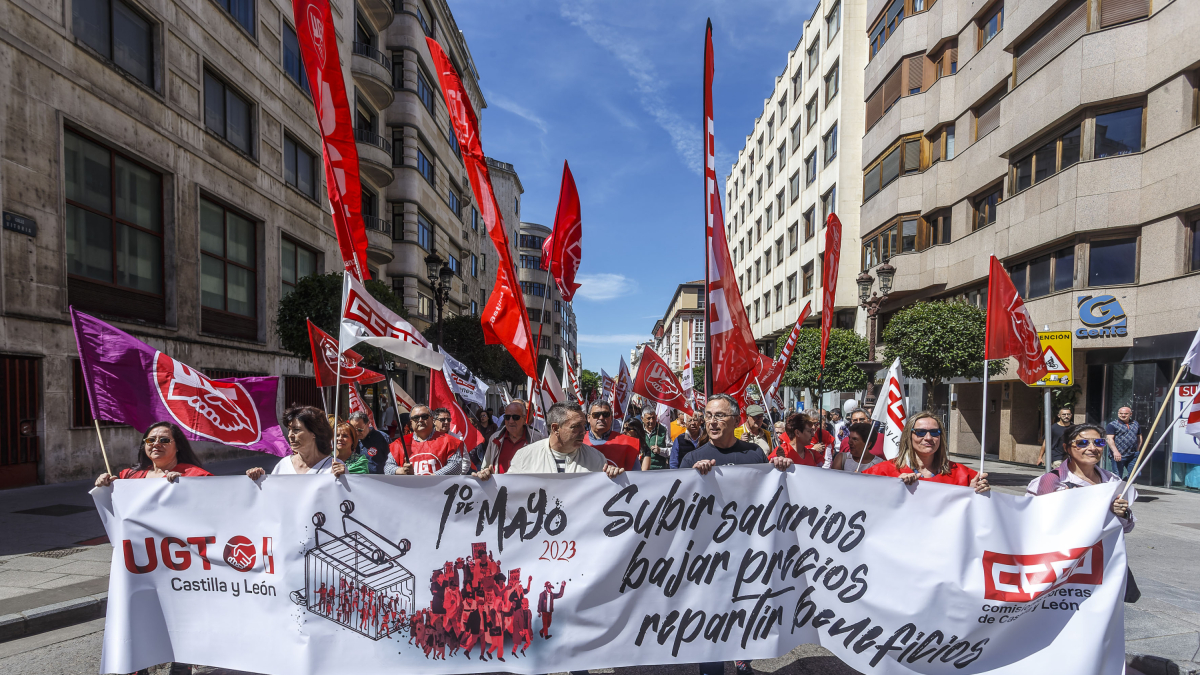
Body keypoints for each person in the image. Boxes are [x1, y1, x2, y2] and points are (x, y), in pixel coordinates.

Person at [685, 394, 792, 675]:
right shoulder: (691, 458)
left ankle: (743, 660)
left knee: (742, 611)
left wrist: (778, 469)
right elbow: (677, 507)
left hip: (744, 552)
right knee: (709, 616)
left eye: (719, 415)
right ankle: (711, 668)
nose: (711, 421)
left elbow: (766, 495)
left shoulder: (753, 454)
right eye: (707, 415)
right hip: (706, 556)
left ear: (736, 420)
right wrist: (694, 480)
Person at [1027, 424, 1135, 531]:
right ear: (1067, 448)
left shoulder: (1112, 481)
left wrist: (1122, 514)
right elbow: (1031, 522)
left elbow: (1126, 528)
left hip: (1102, 548)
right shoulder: (1051, 481)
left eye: (1098, 442)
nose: (1092, 448)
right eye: (1082, 443)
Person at [478, 402, 624, 478]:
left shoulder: (597, 459)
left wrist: (614, 479)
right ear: (555, 428)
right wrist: (488, 482)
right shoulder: (524, 457)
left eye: (583, 425)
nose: (583, 431)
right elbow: (509, 494)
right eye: (575, 426)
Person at [864, 411, 990, 492]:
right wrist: (892, 487)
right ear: (909, 436)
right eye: (921, 432)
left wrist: (975, 493)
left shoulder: (965, 476)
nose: (928, 438)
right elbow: (861, 498)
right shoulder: (881, 472)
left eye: (935, 432)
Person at [94, 422, 212, 486]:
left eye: (164, 440)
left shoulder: (197, 476)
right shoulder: (129, 475)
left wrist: (188, 486)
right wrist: (105, 486)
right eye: (150, 440)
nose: (156, 444)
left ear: (178, 446)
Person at [247, 406, 344, 478]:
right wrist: (261, 479)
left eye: (296, 430)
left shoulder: (334, 467)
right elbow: (272, 496)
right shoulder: (283, 465)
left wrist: (343, 479)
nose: (290, 435)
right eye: (289, 430)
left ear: (314, 433)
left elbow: (343, 501)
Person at [385, 405, 468, 475]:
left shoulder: (449, 441)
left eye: (424, 417)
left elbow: (456, 466)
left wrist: (434, 477)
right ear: (411, 422)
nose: (420, 420)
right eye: (416, 418)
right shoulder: (400, 443)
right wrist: (401, 471)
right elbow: (387, 468)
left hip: (439, 491)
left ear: (432, 419)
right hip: (409, 492)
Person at [479, 401, 546, 474]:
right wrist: (485, 473)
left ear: (524, 419)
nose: (510, 421)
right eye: (507, 417)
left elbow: (545, 468)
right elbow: (485, 468)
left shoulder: (537, 439)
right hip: (500, 485)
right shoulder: (494, 439)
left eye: (515, 417)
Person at [582, 401, 641, 471]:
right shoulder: (577, 441)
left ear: (611, 417)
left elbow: (636, 476)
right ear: (588, 418)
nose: (601, 418)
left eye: (605, 414)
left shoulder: (627, 444)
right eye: (596, 415)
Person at [1105, 406, 1142, 479]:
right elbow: (1109, 439)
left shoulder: (1135, 424)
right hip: (1118, 456)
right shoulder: (1112, 425)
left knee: (1136, 474)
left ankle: (1123, 484)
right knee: (1118, 476)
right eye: (1121, 413)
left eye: (1126, 413)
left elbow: (1139, 437)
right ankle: (1119, 488)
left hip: (1132, 455)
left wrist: (1137, 449)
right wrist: (1115, 452)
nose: (1123, 415)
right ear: (1118, 414)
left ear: (1130, 414)